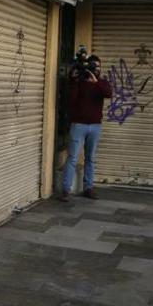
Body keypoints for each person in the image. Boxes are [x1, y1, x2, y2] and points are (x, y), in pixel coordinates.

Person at [58, 54, 112, 201]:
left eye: (98, 67)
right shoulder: (79, 83)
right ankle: (65, 190)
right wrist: (75, 81)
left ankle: (88, 188)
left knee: (90, 158)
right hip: (78, 125)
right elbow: (71, 100)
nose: (96, 69)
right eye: (93, 66)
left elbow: (108, 93)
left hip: (95, 126)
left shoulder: (102, 83)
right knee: (72, 158)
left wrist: (96, 83)